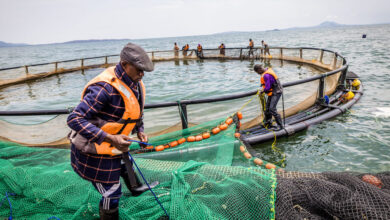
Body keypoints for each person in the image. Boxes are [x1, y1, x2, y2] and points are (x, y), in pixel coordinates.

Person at [67, 43, 158, 219]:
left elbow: (135, 110)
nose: (142, 74)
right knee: (112, 193)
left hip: (115, 143)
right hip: (93, 149)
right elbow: (74, 119)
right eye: (139, 69)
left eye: (144, 70)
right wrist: (109, 138)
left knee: (126, 164)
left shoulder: (135, 82)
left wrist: (140, 130)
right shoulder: (103, 88)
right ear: (124, 65)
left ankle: (136, 187)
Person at [254, 64, 284, 129]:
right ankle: (268, 122)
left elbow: (267, 87)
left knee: (272, 109)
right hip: (272, 92)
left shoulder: (267, 75)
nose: (258, 74)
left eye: (257, 72)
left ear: (259, 70)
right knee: (267, 109)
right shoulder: (267, 70)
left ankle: (280, 125)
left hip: (277, 92)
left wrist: (262, 91)